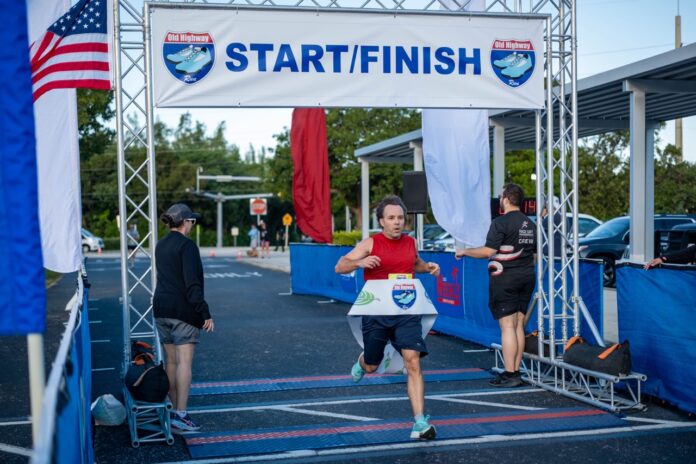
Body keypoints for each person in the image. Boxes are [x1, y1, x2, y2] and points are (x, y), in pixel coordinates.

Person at [335, 195, 440, 440]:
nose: (397, 222)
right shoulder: (371, 243)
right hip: (377, 312)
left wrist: (429, 268)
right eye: (391, 218)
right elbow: (340, 266)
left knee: (412, 361)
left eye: (400, 218)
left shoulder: (410, 242)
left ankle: (419, 423)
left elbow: (414, 263)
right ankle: (363, 362)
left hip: (406, 309)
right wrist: (360, 262)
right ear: (381, 221)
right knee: (373, 364)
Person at [455, 183, 536, 388]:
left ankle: (510, 374)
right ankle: (515, 372)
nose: (500, 199)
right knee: (518, 325)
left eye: (501, 196)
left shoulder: (500, 223)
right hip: (527, 277)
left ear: (507, 199)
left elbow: (487, 251)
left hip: (506, 278)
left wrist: (465, 251)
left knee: (507, 326)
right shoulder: (530, 224)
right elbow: (534, 255)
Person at [153, 203, 214, 432]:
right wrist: (204, 312)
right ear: (185, 222)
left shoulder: (160, 245)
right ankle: (182, 413)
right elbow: (192, 284)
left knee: (170, 362)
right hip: (182, 311)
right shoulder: (187, 247)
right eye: (191, 221)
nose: (192, 225)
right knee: (184, 363)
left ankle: (171, 409)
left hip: (161, 308)